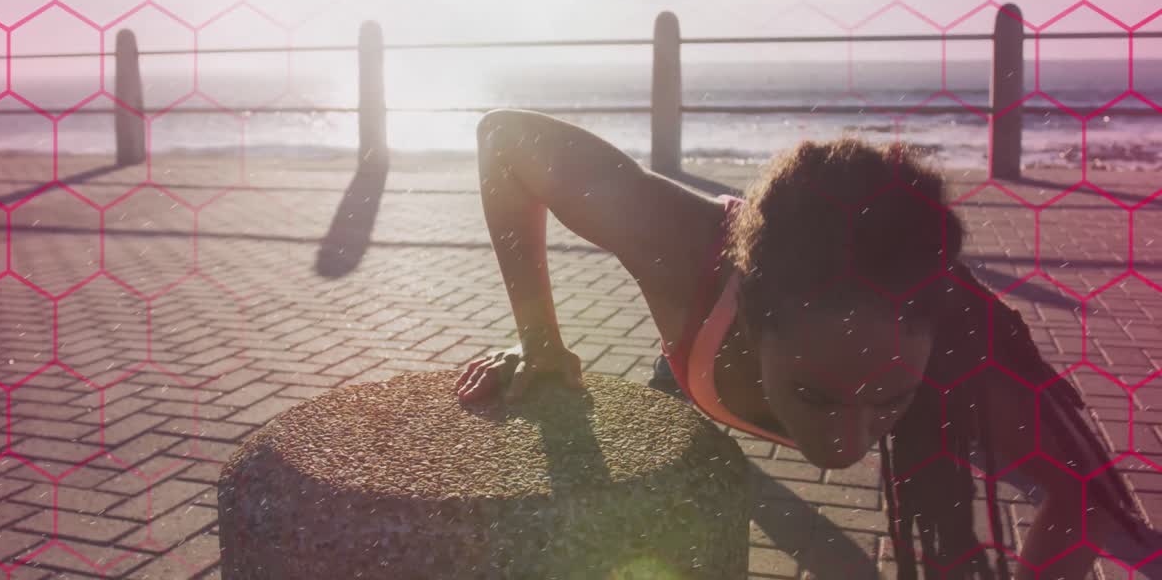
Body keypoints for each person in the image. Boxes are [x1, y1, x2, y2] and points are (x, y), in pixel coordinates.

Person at [455, 108, 1149, 580]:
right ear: (755, 319)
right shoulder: (676, 248)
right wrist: (540, 340)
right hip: (697, 344)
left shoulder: (962, 352)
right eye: (815, 396)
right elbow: (503, 138)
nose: (846, 447)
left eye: (887, 402)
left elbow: (1081, 493)